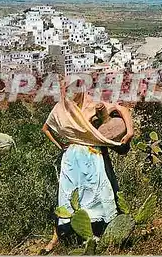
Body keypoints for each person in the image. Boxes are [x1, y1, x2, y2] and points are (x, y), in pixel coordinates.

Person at [41, 80, 134, 252]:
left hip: (92, 155)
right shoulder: (61, 108)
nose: (71, 93)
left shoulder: (93, 105)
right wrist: (60, 146)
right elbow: (45, 128)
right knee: (69, 194)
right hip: (71, 158)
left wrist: (130, 131)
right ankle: (64, 236)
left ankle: (102, 233)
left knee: (97, 191)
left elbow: (122, 109)